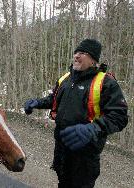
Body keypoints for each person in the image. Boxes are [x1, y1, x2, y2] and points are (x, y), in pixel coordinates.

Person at [24, 39, 128, 188]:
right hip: (61, 148)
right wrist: (37, 103)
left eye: (83, 53)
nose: (77, 56)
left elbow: (119, 116)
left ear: (93, 60)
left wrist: (93, 129)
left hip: (85, 155)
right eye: (76, 52)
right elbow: (54, 99)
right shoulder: (65, 79)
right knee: (63, 182)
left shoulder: (105, 82)